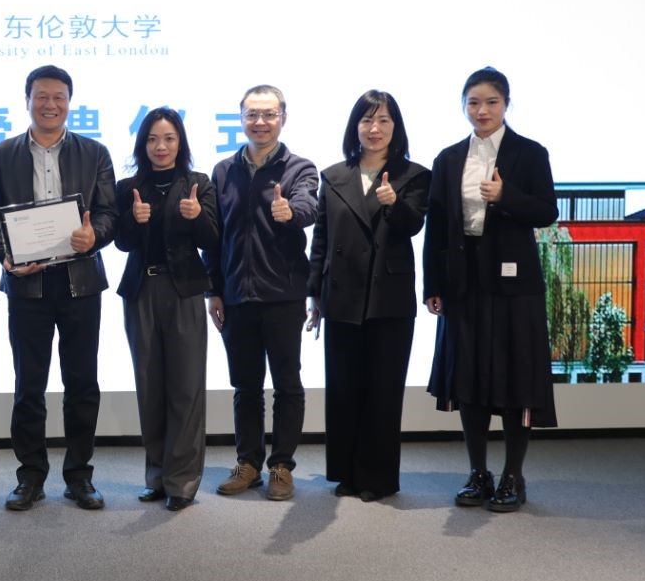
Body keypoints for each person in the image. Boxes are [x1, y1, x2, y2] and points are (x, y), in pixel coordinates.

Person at [0, 65, 117, 511]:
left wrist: (95, 235)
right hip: (27, 286)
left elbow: (109, 214)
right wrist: (5, 256)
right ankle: (31, 476)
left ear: (69, 102)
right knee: (29, 385)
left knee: (82, 383)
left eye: (58, 97)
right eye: (41, 96)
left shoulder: (95, 153)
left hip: (80, 284)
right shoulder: (2, 155)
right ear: (27, 101)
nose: (50, 104)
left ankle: (79, 476)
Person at [424, 67, 558, 512]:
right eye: (473, 102)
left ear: (506, 104)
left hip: (516, 286)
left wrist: (506, 197)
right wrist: (433, 285)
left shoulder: (530, 153)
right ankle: (477, 473)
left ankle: (512, 476)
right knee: (468, 380)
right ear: (463, 106)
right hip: (464, 282)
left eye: (491, 102)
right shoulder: (448, 159)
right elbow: (437, 227)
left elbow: (547, 211)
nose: (482, 111)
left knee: (516, 379)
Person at [305, 90, 430, 502]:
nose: (374, 129)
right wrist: (314, 293)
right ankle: (347, 472)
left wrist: (394, 204)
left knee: (383, 390)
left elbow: (413, 226)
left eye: (384, 121)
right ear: (355, 126)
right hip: (341, 294)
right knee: (344, 388)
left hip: (387, 296)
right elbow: (321, 239)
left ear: (396, 128)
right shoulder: (333, 176)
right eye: (366, 120)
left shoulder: (414, 175)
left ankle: (378, 477)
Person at [205, 84, 318, 502]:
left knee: (287, 384)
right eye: (252, 114)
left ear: (282, 118)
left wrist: (291, 212)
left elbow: (309, 206)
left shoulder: (300, 168)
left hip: (283, 294)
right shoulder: (223, 171)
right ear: (241, 119)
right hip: (236, 296)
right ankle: (248, 464)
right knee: (245, 387)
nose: (260, 122)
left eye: (269, 114)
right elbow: (214, 238)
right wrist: (213, 290)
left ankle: (281, 466)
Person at [113, 107, 220, 512]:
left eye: (169, 138)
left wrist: (196, 217)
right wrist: (133, 219)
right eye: (153, 139)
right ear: (143, 144)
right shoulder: (128, 187)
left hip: (184, 292)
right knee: (150, 387)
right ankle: (156, 476)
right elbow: (121, 242)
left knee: (186, 388)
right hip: (141, 291)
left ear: (180, 142)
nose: (161, 146)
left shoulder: (198, 184)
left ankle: (183, 482)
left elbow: (213, 239)